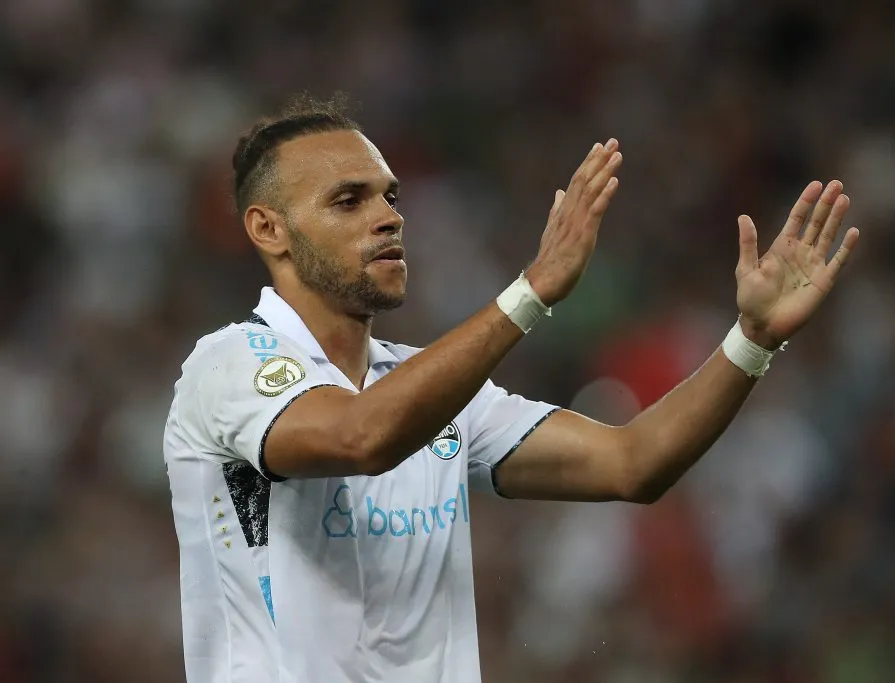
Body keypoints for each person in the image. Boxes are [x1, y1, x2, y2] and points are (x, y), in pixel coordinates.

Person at [163, 93, 859, 683]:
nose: (389, 215)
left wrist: (752, 340)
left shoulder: (433, 392)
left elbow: (633, 463)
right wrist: (530, 293)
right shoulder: (227, 366)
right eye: (349, 199)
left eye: (390, 195)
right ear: (269, 229)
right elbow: (360, 435)